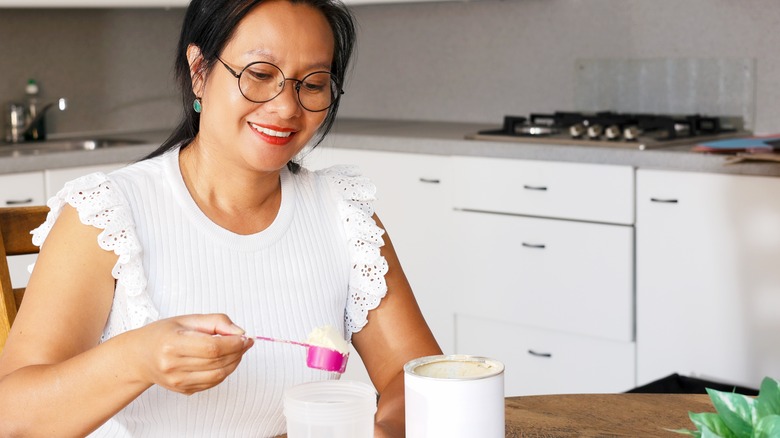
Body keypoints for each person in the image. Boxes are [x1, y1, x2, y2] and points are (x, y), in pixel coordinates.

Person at [0, 0, 442, 435]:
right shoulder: (107, 215)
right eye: (260, 75)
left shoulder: (345, 213)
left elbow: (421, 379)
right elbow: (12, 418)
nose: (287, 107)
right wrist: (137, 358)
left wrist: (384, 431)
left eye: (312, 83)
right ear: (199, 71)